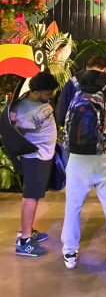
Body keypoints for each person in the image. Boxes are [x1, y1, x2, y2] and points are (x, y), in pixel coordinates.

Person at [58, 56, 106, 270]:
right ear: (105, 67)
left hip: (78, 157)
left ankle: (69, 251)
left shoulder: (72, 83)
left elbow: (61, 117)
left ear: (86, 66)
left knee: (73, 204)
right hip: (105, 154)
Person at [10, 72, 59, 256]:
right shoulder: (19, 109)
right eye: (48, 94)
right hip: (34, 158)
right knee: (30, 196)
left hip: (44, 155)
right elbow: (12, 136)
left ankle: (27, 229)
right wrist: (13, 125)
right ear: (36, 91)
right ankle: (24, 240)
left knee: (35, 195)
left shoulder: (40, 102)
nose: (50, 97)